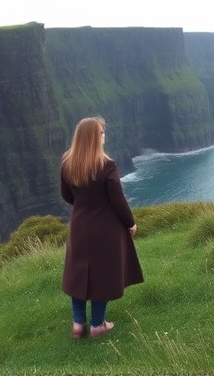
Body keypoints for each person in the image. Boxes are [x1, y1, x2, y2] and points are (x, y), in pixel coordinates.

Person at [60, 116, 144, 339]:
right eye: (102, 133)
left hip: (79, 226)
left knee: (78, 272)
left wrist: (84, 206)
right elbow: (118, 200)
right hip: (105, 229)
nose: (104, 136)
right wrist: (130, 222)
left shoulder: (67, 163)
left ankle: (78, 324)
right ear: (94, 138)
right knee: (102, 275)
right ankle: (97, 325)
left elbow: (67, 195)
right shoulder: (106, 166)